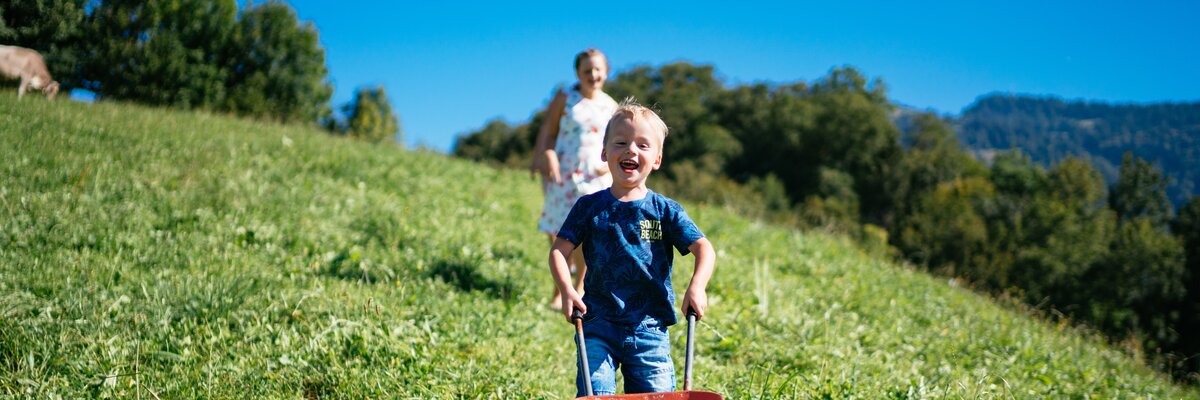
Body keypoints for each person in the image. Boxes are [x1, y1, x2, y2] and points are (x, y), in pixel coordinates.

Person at [549, 100, 716, 396]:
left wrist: (697, 287)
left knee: (656, 395)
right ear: (604, 152)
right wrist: (567, 289)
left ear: (657, 159)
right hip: (597, 323)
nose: (631, 151)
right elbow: (559, 251)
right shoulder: (589, 207)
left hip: (649, 329)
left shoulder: (665, 210)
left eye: (643, 145)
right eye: (621, 142)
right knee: (595, 394)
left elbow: (704, 249)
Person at [532, 48, 619, 309]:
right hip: (564, 176)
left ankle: (577, 289)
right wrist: (547, 155)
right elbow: (548, 131)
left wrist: (611, 165)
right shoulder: (566, 98)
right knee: (558, 235)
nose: (592, 75)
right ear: (578, 73)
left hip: (595, 177)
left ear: (606, 72)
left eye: (597, 70)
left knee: (585, 236)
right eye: (587, 70)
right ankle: (559, 290)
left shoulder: (612, 106)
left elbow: (617, 142)